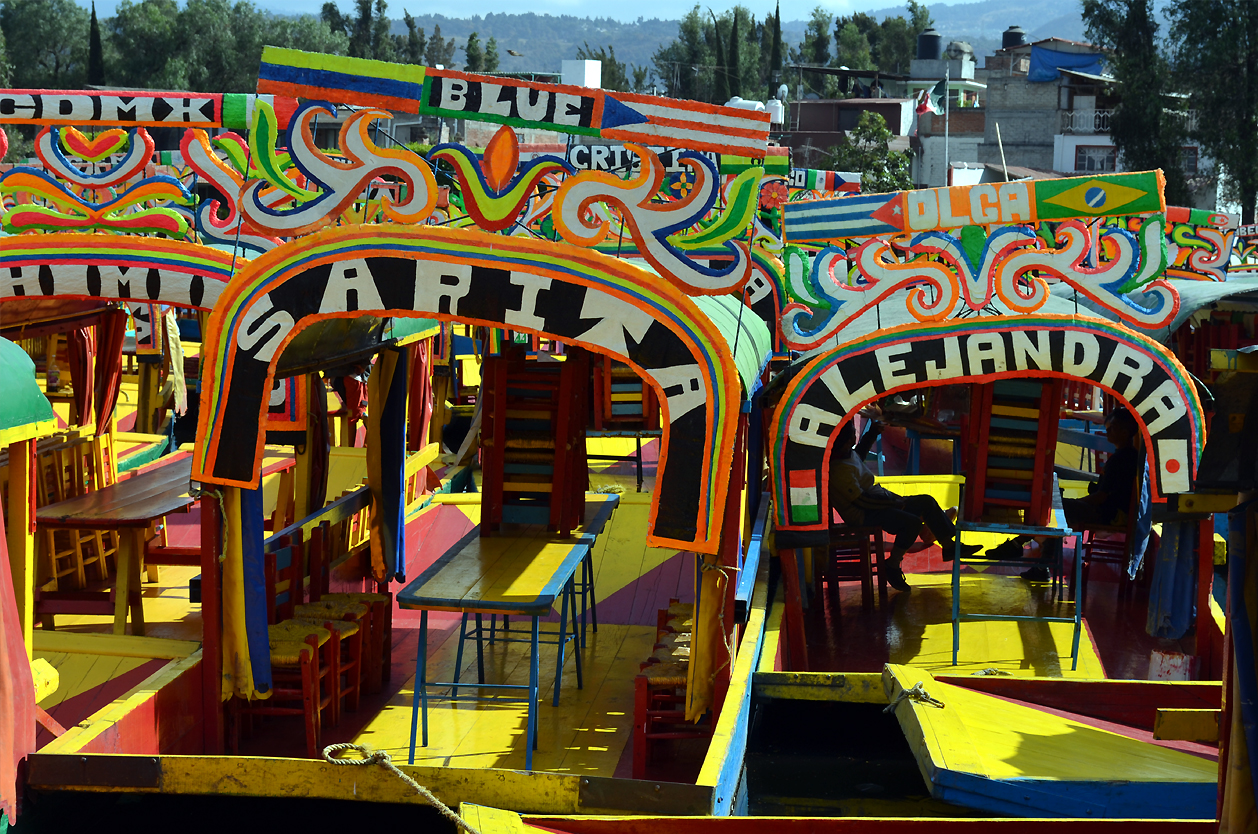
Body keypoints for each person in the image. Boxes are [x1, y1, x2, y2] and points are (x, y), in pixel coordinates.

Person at [990, 407, 1142, 581]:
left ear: (1124, 432)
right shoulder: (1128, 456)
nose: (1107, 431)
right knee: (1056, 513)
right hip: (1110, 511)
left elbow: (1101, 497)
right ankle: (1035, 561)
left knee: (1056, 510)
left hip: (1110, 514)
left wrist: (1077, 503)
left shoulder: (1121, 460)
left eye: (1112, 428)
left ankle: (1022, 549)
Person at [829, 419, 982, 592]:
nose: (855, 438)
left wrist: (872, 432)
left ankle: (949, 547)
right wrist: (895, 503)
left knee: (926, 502)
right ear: (847, 441)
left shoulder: (846, 454)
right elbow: (862, 501)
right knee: (911, 523)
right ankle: (892, 565)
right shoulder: (838, 470)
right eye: (852, 435)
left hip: (878, 503)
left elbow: (858, 455)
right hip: (863, 514)